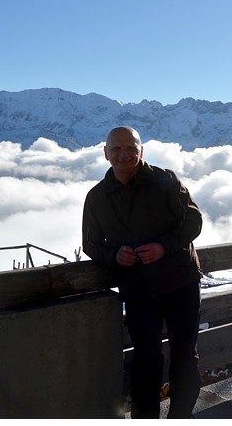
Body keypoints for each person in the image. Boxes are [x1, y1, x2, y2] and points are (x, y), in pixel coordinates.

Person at [82, 126, 203, 419]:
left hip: (180, 282)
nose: (124, 155)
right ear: (106, 153)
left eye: (131, 148)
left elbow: (194, 221)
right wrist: (114, 255)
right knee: (146, 360)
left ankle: (181, 417)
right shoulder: (98, 197)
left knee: (184, 356)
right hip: (139, 291)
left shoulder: (166, 180)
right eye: (116, 149)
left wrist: (164, 246)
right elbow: (91, 244)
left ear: (141, 151)